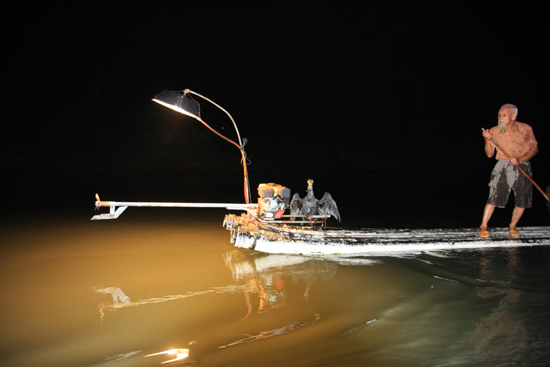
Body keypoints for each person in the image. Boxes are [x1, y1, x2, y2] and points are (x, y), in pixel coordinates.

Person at [479, 104, 538, 238]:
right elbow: (489, 154)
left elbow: (534, 149)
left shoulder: (525, 128)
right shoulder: (494, 130)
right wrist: (486, 139)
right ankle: (483, 226)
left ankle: (512, 226)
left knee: (522, 198)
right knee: (494, 195)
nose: (500, 118)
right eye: (499, 115)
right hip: (502, 166)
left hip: (521, 165)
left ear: (513, 116)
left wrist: (520, 159)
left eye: (504, 115)